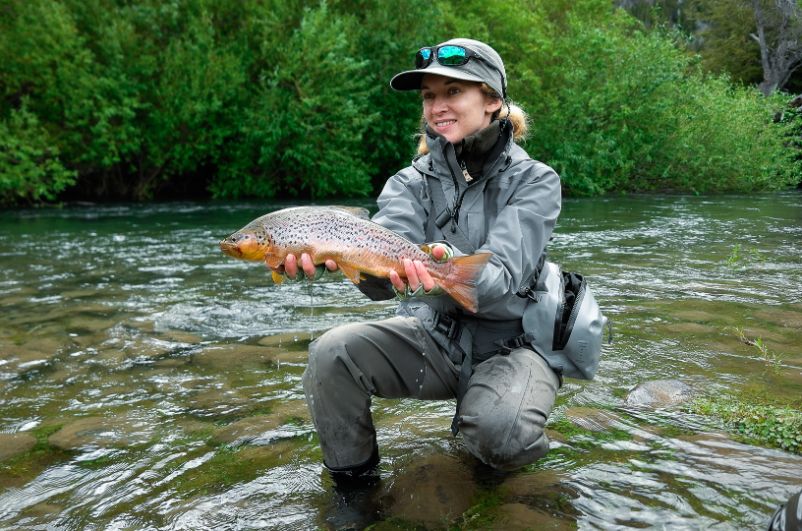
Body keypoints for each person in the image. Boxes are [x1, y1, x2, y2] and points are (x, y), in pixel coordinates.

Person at [276, 38, 562, 478]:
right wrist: (345, 264)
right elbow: (386, 264)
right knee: (331, 354)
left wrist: (447, 261)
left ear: (491, 101)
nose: (437, 106)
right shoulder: (406, 183)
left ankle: (516, 474)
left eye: (453, 92)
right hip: (434, 336)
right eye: (430, 96)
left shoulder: (535, 181)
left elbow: (503, 275)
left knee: (498, 436)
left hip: (514, 344)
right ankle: (354, 490)